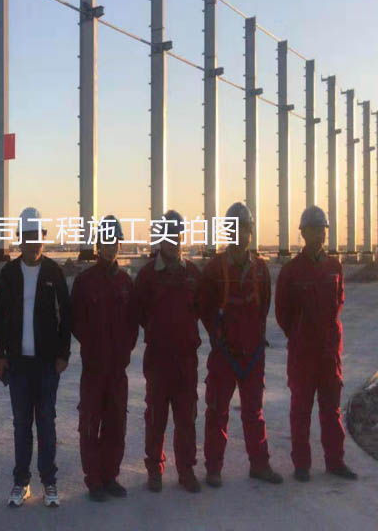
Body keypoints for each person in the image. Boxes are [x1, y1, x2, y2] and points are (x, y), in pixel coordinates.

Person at [198, 202, 282, 487]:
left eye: (244, 228)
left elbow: (264, 306)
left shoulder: (260, 269)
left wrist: (252, 337)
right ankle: (213, 468)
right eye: (234, 228)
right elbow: (204, 307)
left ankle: (260, 464)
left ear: (251, 231)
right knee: (217, 412)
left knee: (254, 412)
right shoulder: (214, 269)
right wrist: (218, 334)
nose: (240, 233)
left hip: (252, 353)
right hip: (225, 354)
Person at [0, 207, 71, 507]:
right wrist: (0, 355)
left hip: (47, 364)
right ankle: (21, 482)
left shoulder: (54, 272)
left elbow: (67, 316)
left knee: (46, 424)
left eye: (38, 236)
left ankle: (49, 482)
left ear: (43, 238)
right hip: (19, 365)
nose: (33, 242)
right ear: (19, 239)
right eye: (28, 236)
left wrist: (63, 354)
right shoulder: (9, 274)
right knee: (22, 425)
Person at [275, 205, 358, 483]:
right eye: (313, 230)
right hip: (303, 354)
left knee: (331, 410)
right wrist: (300, 334)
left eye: (322, 230)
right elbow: (282, 313)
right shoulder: (291, 271)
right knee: (301, 411)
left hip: (329, 352)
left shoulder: (335, 267)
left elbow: (339, 301)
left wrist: (328, 337)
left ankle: (335, 461)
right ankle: (302, 465)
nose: (319, 235)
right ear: (303, 233)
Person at [131, 210, 203, 493]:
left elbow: (202, 307)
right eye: (168, 237)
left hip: (186, 359)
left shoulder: (192, 274)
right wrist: (156, 330)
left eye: (177, 236)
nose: (174, 242)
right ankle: (154, 470)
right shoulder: (148, 275)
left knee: (186, 418)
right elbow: (138, 311)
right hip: (158, 360)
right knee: (156, 418)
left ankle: (186, 470)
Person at [71, 215, 137, 502]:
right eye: (106, 242)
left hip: (117, 369)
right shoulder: (85, 282)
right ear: (98, 245)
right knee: (90, 425)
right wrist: (93, 346)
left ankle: (110, 477)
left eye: (115, 242)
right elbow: (76, 321)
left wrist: (123, 350)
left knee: (116, 424)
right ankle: (94, 481)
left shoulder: (126, 282)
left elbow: (133, 323)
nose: (111, 247)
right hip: (94, 369)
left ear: (120, 244)